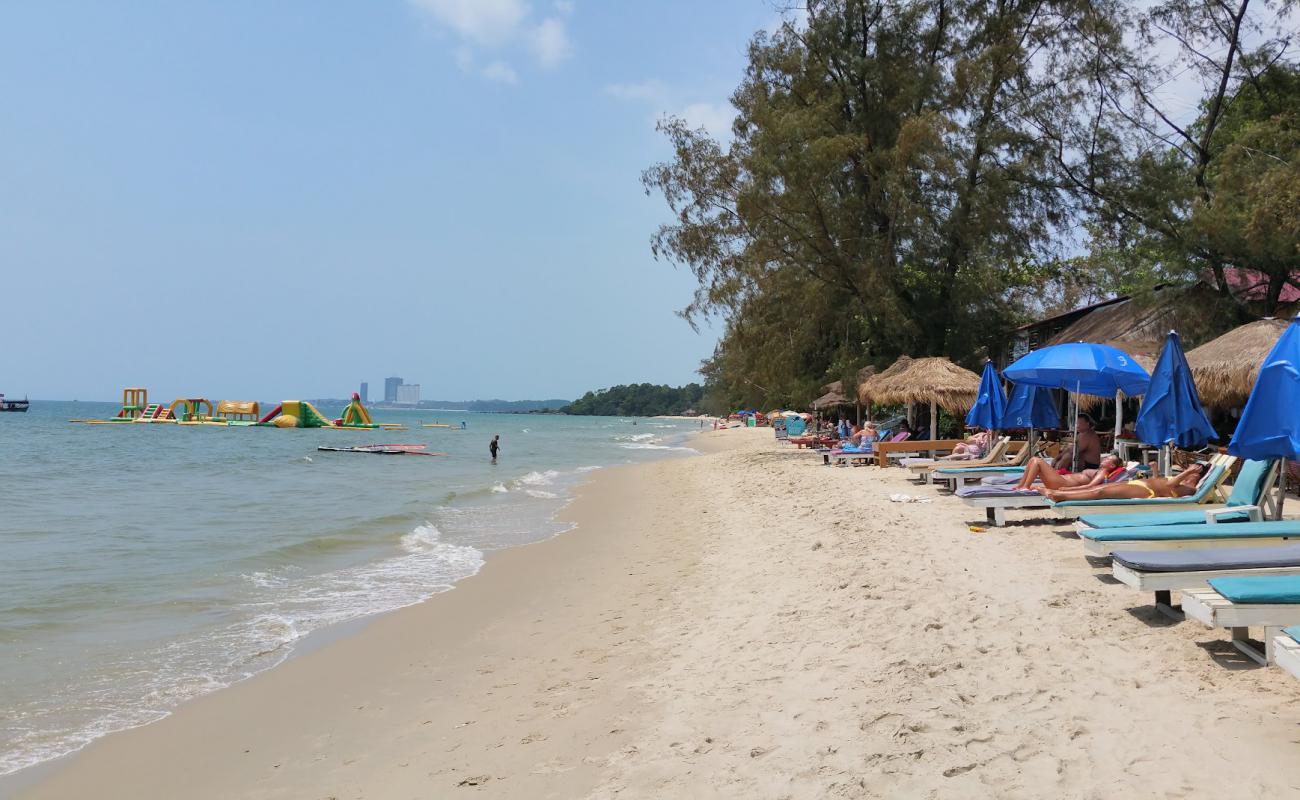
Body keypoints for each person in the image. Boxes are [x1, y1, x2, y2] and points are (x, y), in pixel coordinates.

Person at [1044, 462, 1208, 502]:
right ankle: (1062, 492)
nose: (1190, 475)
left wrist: (1190, 472)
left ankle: (1062, 497)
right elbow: (1161, 481)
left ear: (1199, 477)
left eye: (1196, 473)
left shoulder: (1192, 488)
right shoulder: (1184, 479)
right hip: (1140, 484)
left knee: (1100, 493)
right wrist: (1156, 470)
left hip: (1146, 492)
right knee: (1100, 486)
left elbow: (1170, 487)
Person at [1016, 453, 1124, 492]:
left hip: (1061, 483)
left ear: (1112, 466)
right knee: (1033, 460)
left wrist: (1068, 490)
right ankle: (1021, 485)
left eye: (1107, 459)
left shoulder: (1101, 474)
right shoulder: (1099, 470)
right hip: (1060, 480)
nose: (1104, 459)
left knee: (1037, 461)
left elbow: (1090, 487)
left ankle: (1025, 487)